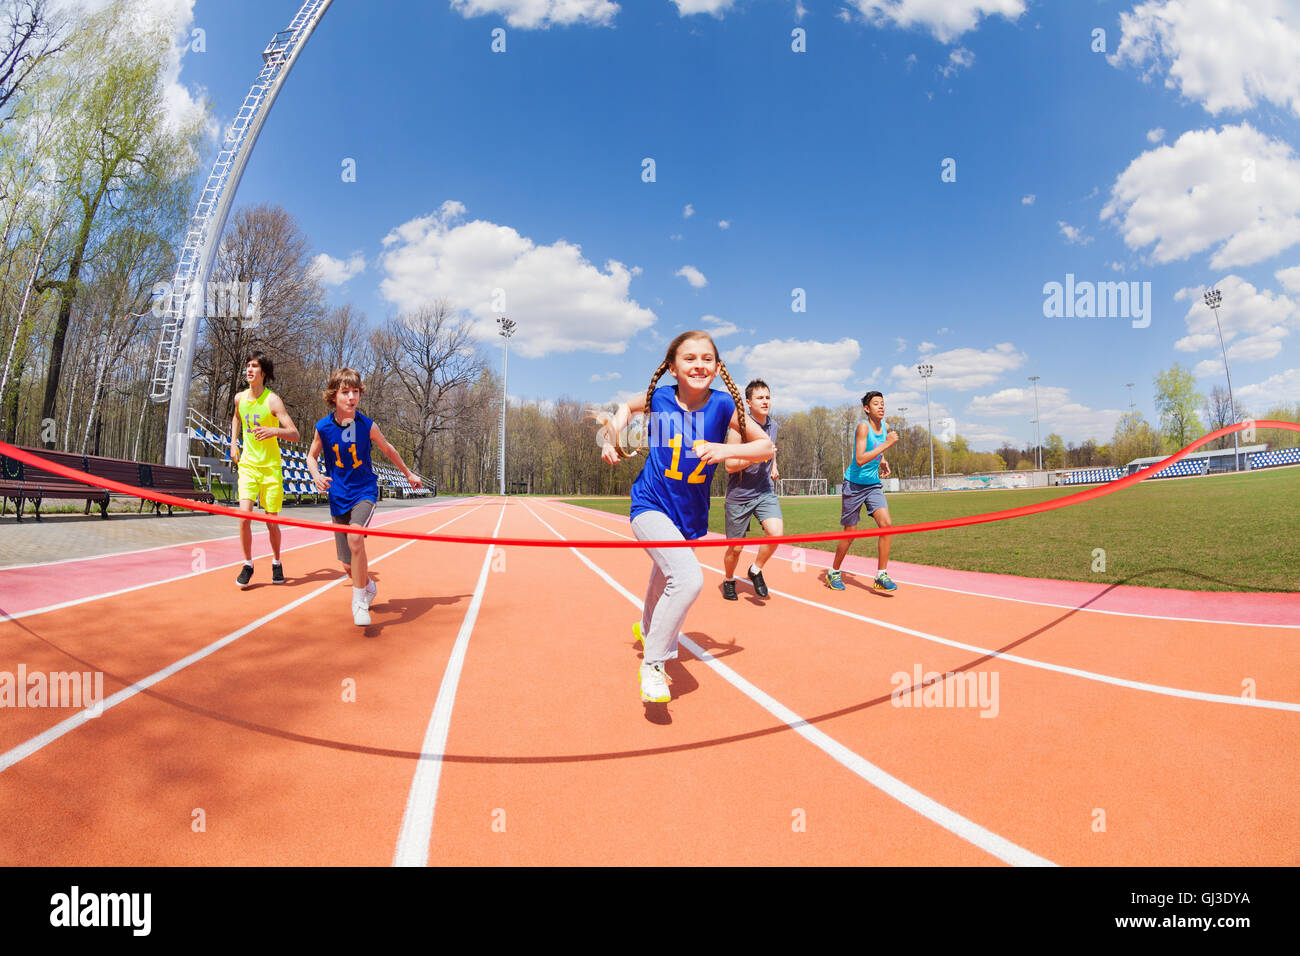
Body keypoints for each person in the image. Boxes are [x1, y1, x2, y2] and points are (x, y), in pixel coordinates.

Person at [600, 331, 775, 703]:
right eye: (689, 358)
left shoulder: (725, 406)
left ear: (717, 367)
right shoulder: (660, 398)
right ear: (672, 367)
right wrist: (610, 436)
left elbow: (765, 446)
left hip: (690, 515)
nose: (699, 365)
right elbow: (625, 408)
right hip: (650, 505)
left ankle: (648, 628)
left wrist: (725, 448)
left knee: (665, 575)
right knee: (687, 578)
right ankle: (654, 662)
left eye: (707, 359)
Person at [306, 367, 423, 627]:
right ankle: (367, 586)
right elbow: (310, 457)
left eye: (355, 392)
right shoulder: (323, 427)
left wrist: (408, 473)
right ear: (333, 396)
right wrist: (315, 475)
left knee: (356, 536)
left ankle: (359, 601)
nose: (351, 397)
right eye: (345, 392)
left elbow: (388, 449)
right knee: (348, 565)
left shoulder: (367, 425)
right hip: (338, 496)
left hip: (364, 492)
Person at [230, 351, 299, 587]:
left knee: (271, 522)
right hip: (249, 465)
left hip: (270, 468)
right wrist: (233, 443)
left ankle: (277, 562)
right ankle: (248, 564)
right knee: (243, 518)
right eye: (247, 366)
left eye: (254, 366)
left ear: (264, 373)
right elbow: (236, 418)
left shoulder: (273, 401)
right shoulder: (240, 398)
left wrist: (274, 431)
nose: (249, 370)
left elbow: (295, 434)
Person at [827, 390, 899, 594]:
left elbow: (877, 448)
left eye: (883, 403)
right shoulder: (863, 427)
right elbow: (859, 458)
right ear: (867, 409)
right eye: (876, 404)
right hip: (854, 485)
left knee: (886, 525)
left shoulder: (885, 426)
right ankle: (833, 571)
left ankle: (881, 574)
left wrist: (883, 461)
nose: (881, 406)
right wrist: (887, 444)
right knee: (850, 533)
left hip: (873, 484)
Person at [721, 379, 782, 600]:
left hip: (764, 491)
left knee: (775, 534)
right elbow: (729, 465)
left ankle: (755, 570)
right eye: (760, 398)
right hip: (739, 496)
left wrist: (773, 463)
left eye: (767, 397)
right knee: (735, 550)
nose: (765, 401)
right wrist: (756, 456)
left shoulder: (773, 426)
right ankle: (729, 580)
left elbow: (770, 449)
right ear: (748, 402)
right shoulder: (739, 428)